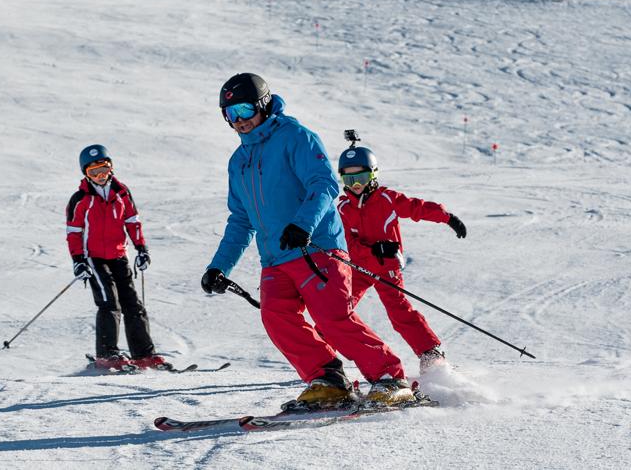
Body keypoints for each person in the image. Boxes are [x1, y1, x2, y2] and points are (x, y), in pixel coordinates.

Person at [201, 73, 413, 407]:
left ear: (263, 104)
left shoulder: (296, 137)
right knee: (276, 317)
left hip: (316, 247)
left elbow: (324, 184)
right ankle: (328, 379)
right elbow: (241, 220)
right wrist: (219, 267)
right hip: (275, 257)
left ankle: (391, 378)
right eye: (229, 114)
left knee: (333, 318)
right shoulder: (238, 161)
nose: (238, 121)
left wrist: (304, 225)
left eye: (243, 109)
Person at [336, 136, 467, 375]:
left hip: (386, 268)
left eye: (361, 177)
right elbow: (347, 243)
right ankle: (327, 359)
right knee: (337, 308)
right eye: (350, 178)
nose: (356, 184)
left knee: (399, 312)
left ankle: (431, 353)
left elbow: (417, 208)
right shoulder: (343, 208)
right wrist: (372, 250)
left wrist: (447, 217)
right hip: (359, 269)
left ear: (373, 175)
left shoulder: (386, 199)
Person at [66, 144, 162, 370]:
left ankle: (143, 355)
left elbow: (132, 221)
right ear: (85, 174)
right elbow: (74, 232)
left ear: (111, 168)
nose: (100, 176)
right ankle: (107, 354)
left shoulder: (122, 192)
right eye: (93, 172)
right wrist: (78, 261)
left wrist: (141, 248)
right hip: (94, 258)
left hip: (119, 255)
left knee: (132, 303)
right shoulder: (80, 199)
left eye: (103, 169)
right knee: (109, 302)